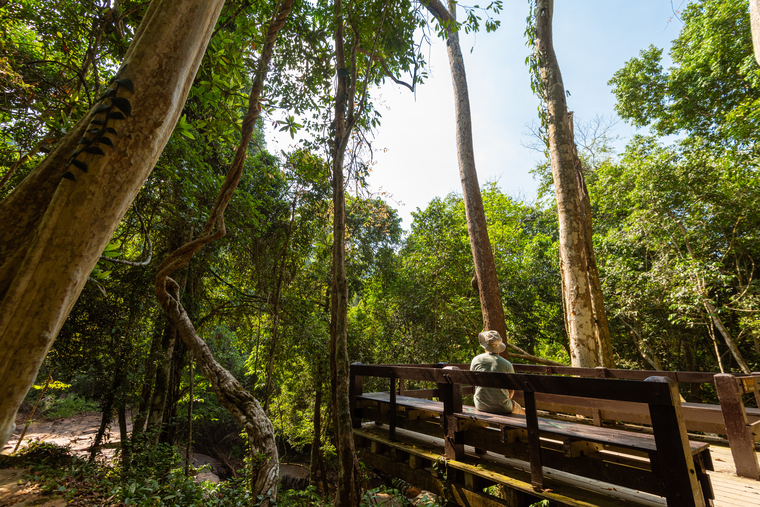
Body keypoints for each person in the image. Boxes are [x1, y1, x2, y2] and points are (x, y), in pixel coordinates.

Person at [470, 330, 525, 415]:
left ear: (485, 345)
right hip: (502, 407)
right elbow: (511, 391)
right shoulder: (507, 365)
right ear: (499, 346)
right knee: (523, 414)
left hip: (480, 405)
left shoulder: (476, 360)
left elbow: (473, 382)